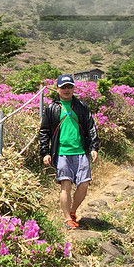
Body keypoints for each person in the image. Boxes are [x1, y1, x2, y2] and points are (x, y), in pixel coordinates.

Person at [39, 74, 99, 229]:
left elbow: (90, 127)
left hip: (80, 151)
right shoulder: (51, 108)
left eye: (69, 86)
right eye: (63, 87)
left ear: (73, 88)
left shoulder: (81, 106)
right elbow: (44, 131)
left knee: (84, 184)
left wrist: (94, 147)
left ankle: (72, 211)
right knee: (65, 185)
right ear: (57, 89)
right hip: (62, 153)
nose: (66, 90)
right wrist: (45, 152)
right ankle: (67, 220)